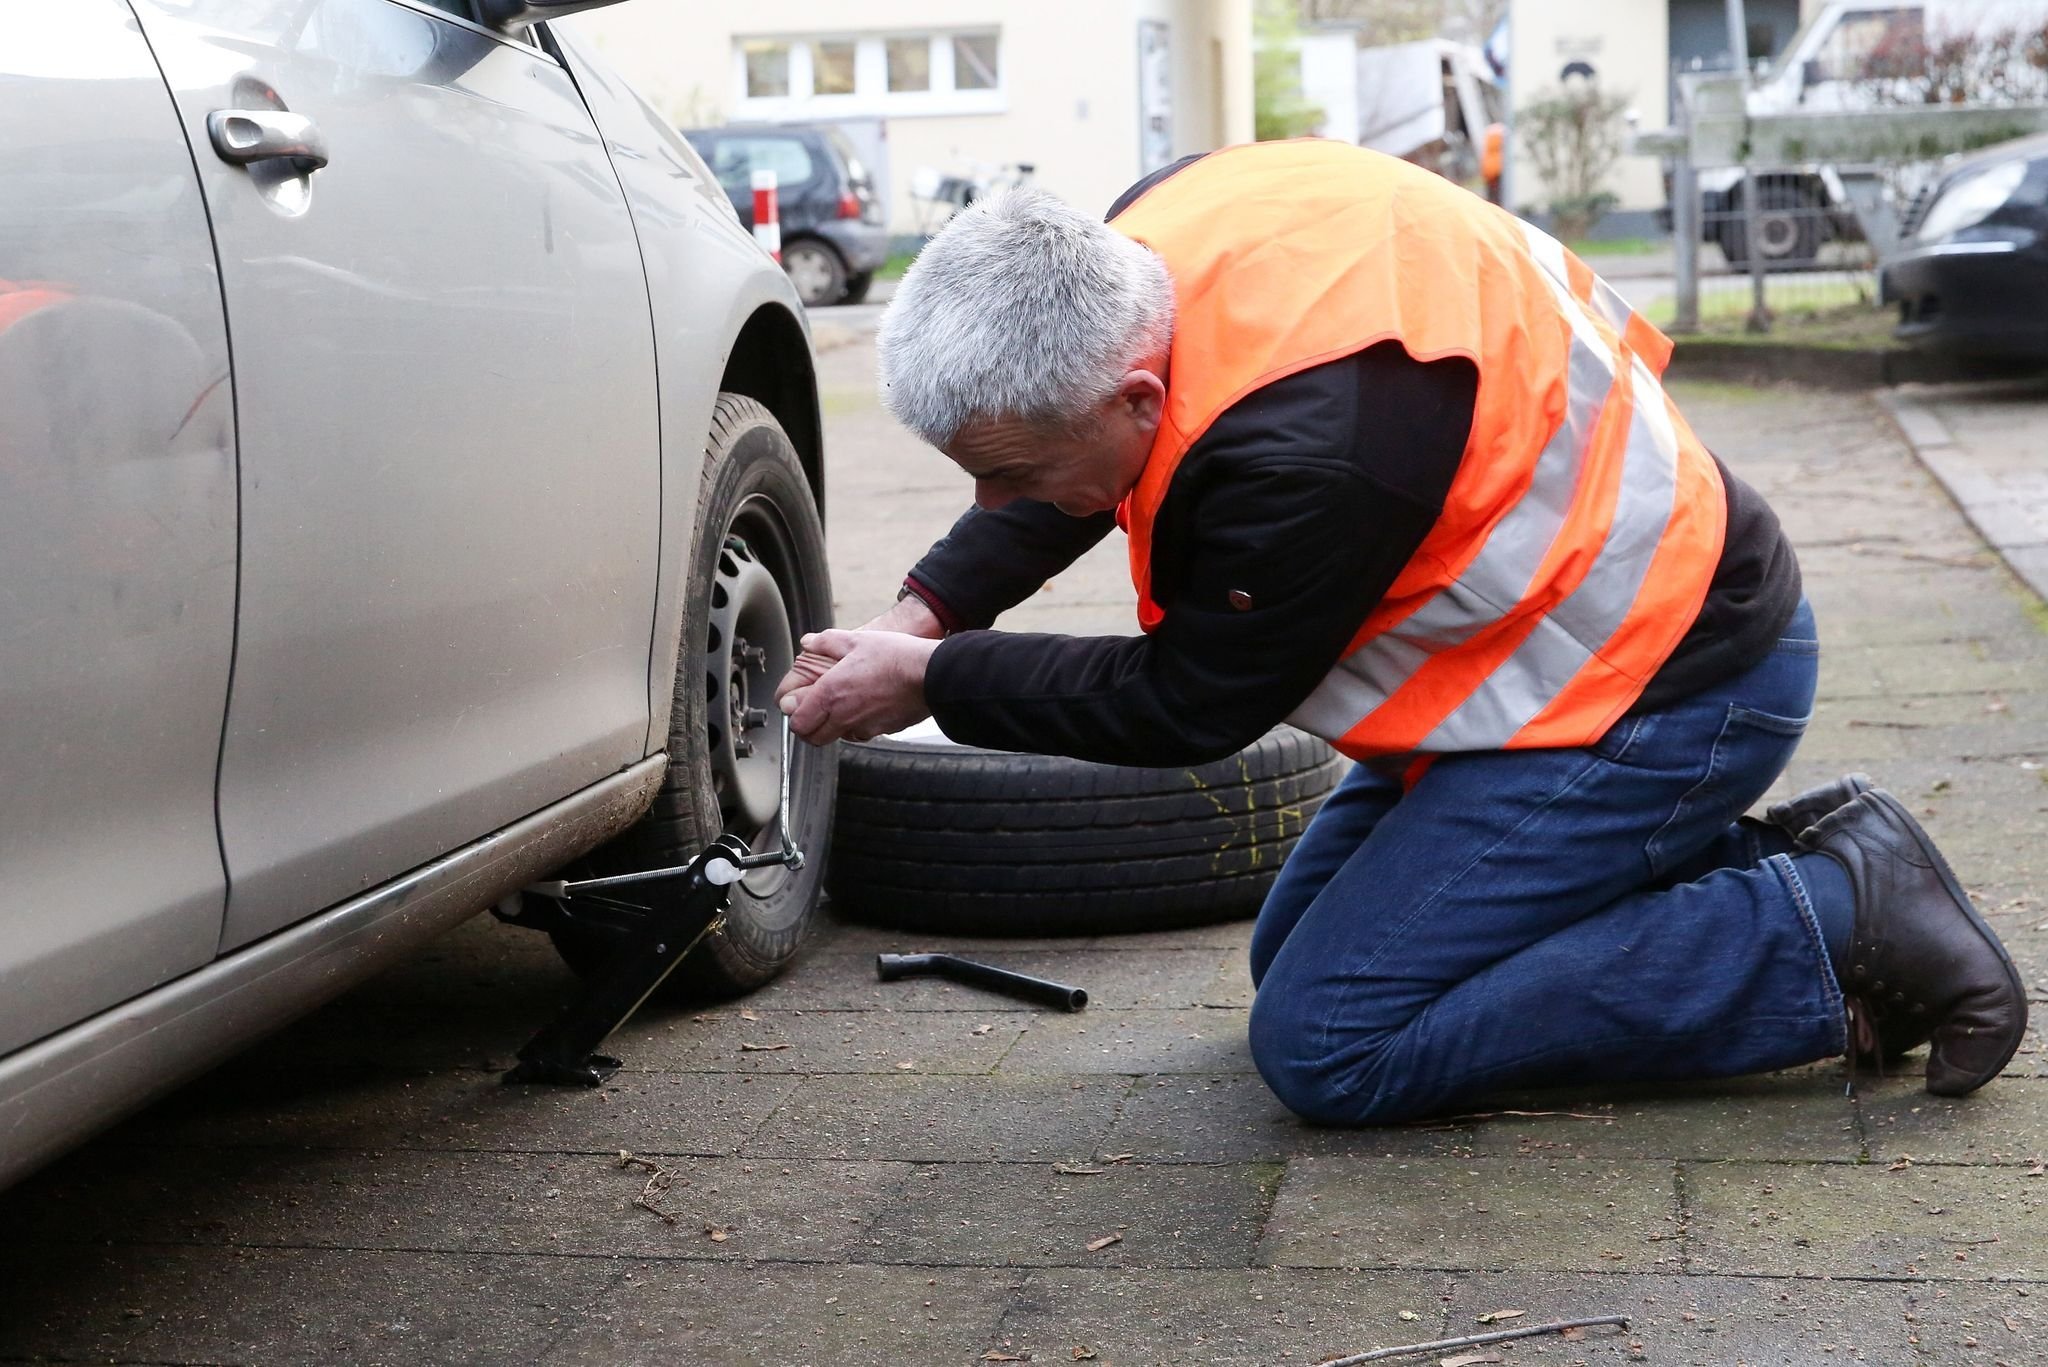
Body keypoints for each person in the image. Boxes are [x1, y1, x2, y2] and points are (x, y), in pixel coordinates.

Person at [774, 139, 2027, 1125]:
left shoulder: (1307, 455)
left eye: (1019, 476)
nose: (1004, 508)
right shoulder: (1143, 245)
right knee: (1294, 955)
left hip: (1662, 687)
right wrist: (922, 608)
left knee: (1330, 1042)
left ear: (1136, 393)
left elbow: (1189, 703)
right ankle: (1748, 869)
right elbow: (1068, 466)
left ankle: (1823, 925)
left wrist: (933, 678)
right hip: (1553, 660)